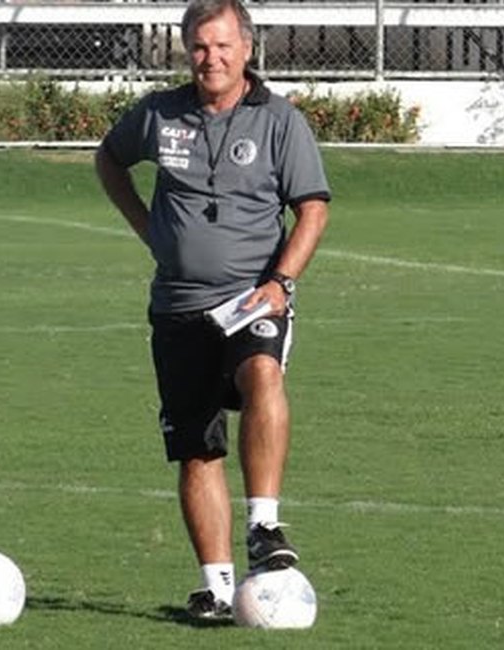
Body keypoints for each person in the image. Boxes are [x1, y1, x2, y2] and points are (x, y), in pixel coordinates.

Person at [94, 0, 330, 621]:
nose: (211, 58)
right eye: (199, 46)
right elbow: (108, 159)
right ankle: (217, 589)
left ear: (247, 48)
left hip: (252, 296)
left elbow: (312, 209)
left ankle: (264, 524)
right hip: (176, 304)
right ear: (186, 50)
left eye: (223, 45)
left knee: (262, 374)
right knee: (197, 447)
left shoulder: (281, 122)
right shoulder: (158, 114)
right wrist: (150, 230)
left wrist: (281, 281)